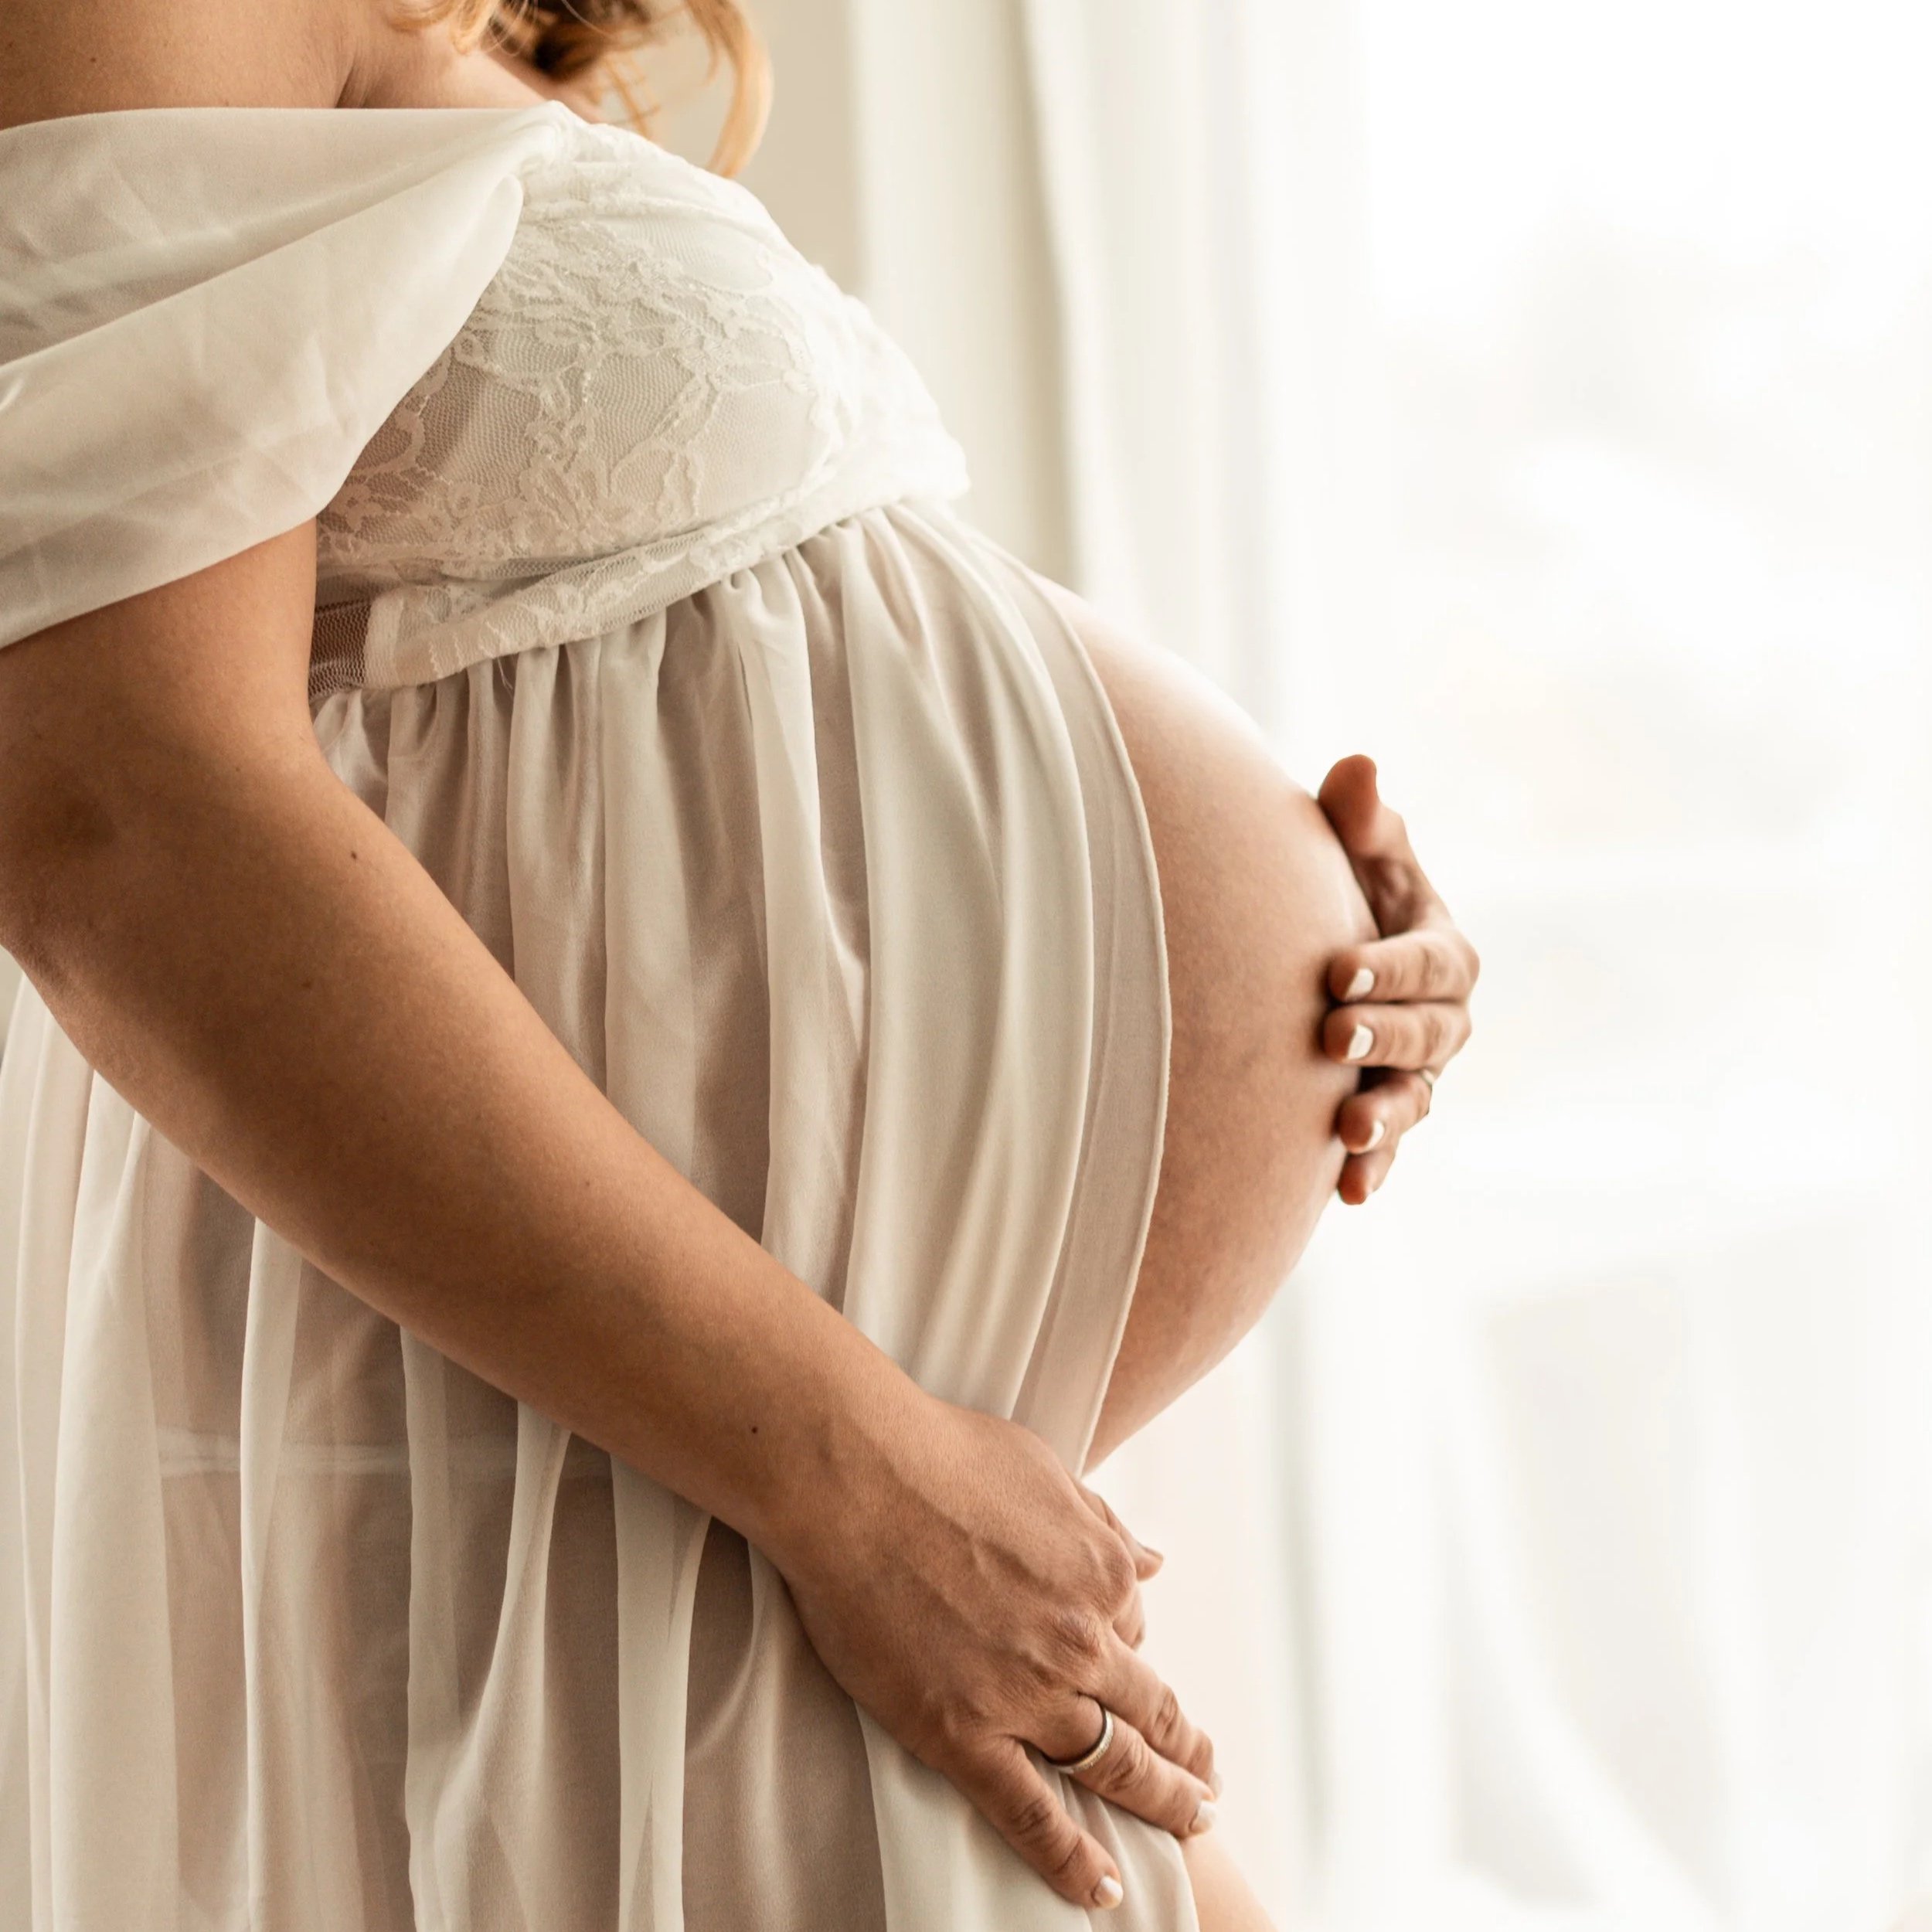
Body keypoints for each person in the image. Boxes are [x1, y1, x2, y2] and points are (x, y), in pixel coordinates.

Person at [0, 2, 1478, 1927]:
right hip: (698, 1452)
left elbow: (706, 679)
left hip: (779, 1431)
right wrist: (851, 1480)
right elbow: (118, 808)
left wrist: (1316, 932)